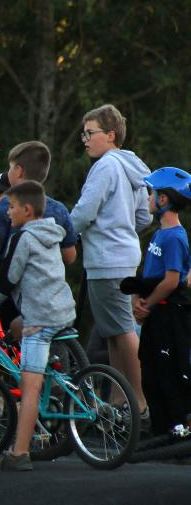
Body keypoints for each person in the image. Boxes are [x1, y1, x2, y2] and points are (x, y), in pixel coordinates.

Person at [0, 180, 76, 471]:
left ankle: (19, 453)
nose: (7, 213)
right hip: (60, 310)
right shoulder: (51, 233)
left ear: (26, 210)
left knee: (29, 389)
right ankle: (47, 376)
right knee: (15, 326)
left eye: (11, 207)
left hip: (39, 320)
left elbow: (5, 281)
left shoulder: (22, 238)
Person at [70, 104, 151, 419]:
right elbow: (143, 215)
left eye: (90, 133)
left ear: (111, 135)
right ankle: (121, 400)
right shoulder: (131, 166)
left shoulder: (105, 166)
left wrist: (62, 232)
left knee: (124, 331)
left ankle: (141, 403)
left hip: (107, 260)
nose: (85, 140)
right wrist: (122, 228)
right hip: (124, 256)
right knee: (115, 331)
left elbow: (85, 211)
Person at [0, 142, 78, 339]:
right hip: (47, 292)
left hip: (9, 294)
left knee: (0, 342)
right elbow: (70, 256)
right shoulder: (59, 209)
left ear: (19, 171)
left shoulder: (6, 205)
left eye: (10, 167)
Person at [132, 167, 191, 436]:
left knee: (168, 374)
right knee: (150, 372)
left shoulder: (175, 237)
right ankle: (159, 430)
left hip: (169, 316)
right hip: (155, 314)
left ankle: (175, 429)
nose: (147, 198)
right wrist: (138, 299)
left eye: (151, 193)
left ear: (164, 200)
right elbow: (149, 274)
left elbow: (171, 280)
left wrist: (149, 304)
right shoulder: (159, 234)